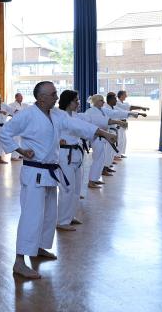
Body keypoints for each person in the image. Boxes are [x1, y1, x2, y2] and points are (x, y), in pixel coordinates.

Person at [0, 82, 117, 279]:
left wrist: (103, 133)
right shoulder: (27, 114)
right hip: (34, 172)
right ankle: (19, 262)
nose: (56, 97)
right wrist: (19, 150)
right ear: (41, 97)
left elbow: (78, 125)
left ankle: (38, 248)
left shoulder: (56, 114)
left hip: (49, 172)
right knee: (31, 216)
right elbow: (5, 133)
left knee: (49, 214)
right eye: (53, 94)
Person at [55, 91, 108, 230]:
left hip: (76, 154)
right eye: (76, 101)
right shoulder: (59, 115)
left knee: (76, 188)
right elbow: (51, 132)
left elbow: (84, 129)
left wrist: (102, 131)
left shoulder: (75, 116)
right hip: (65, 154)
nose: (78, 103)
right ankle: (62, 221)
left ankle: (69, 216)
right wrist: (56, 140)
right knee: (67, 188)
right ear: (68, 102)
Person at [84, 94, 143, 188]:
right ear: (96, 102)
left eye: (103, 100)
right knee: (97, 159)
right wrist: (118, 122)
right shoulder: (91, 111)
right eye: (101, 101)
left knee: (101, 159)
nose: (103, 102)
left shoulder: (102, 110)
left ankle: (95, 179)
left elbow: (115, 113)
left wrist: (130, 113)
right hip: (97, 138)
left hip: (103, 137)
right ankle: (91, 181)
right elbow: (102, 121)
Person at [115, 90, 149, 158]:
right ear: (121, 95)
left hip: (123, 123)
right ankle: (116, 155)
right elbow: (129, 108)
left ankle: (119, 154)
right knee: (119, 139)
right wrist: (141, 108)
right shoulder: (117, 103)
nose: (126, 96)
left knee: (123, 140)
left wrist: (140, 111)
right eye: (125, 94)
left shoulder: (125, 103)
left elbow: (128, 109)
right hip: (118, 124)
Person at [8, 93, 29, 161]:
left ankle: (20, 154)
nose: (21, 98)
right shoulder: (12, 105)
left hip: (23, 125)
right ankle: (14, 156)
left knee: (21, 140)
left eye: (22, 97)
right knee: (15, 140)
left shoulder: (24, 105)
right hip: (16, 124)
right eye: (20, 97)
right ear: (16, 97)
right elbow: (9, 112)